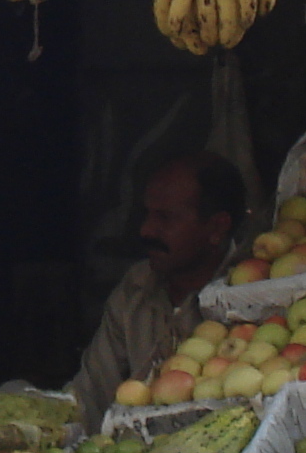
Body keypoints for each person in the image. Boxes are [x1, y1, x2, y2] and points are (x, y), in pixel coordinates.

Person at [71, 152, 246, 427]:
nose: (146, 230)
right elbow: (90, 394)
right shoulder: (137, 288)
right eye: (147, 215)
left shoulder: (248, 300)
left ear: (216, 227)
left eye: (165, 218)